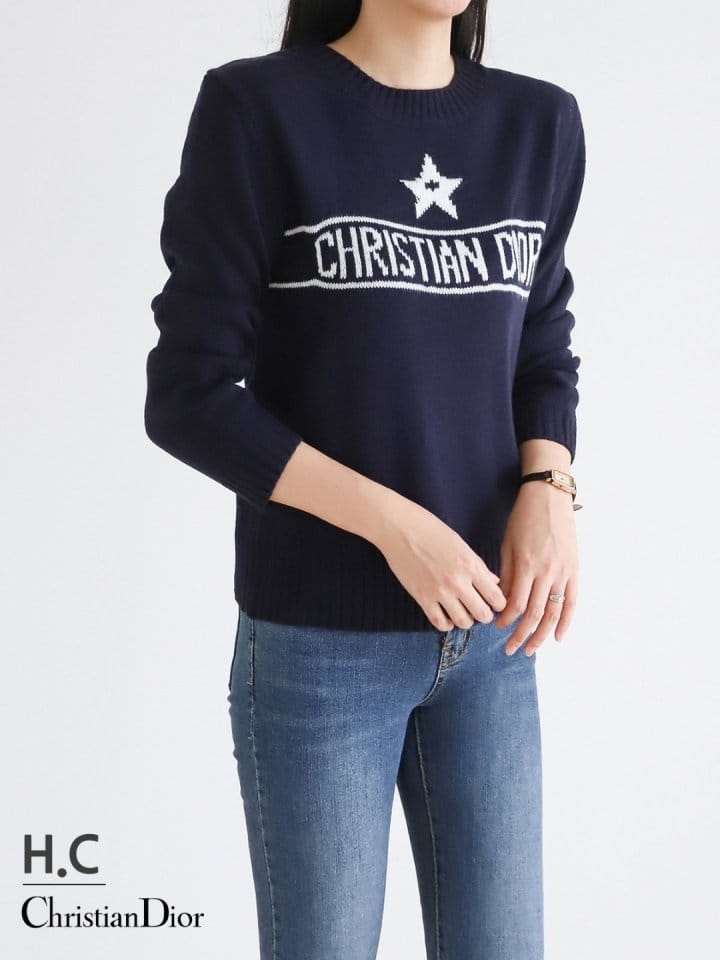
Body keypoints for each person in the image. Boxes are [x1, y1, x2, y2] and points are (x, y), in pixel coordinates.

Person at [144, 1, 586, 956]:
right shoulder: (259, 110)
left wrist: (549, 487)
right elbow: (188, 397)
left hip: (491, 640)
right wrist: (395, 525)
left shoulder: (538, 123)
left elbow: (542, 343)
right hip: (319, 650)